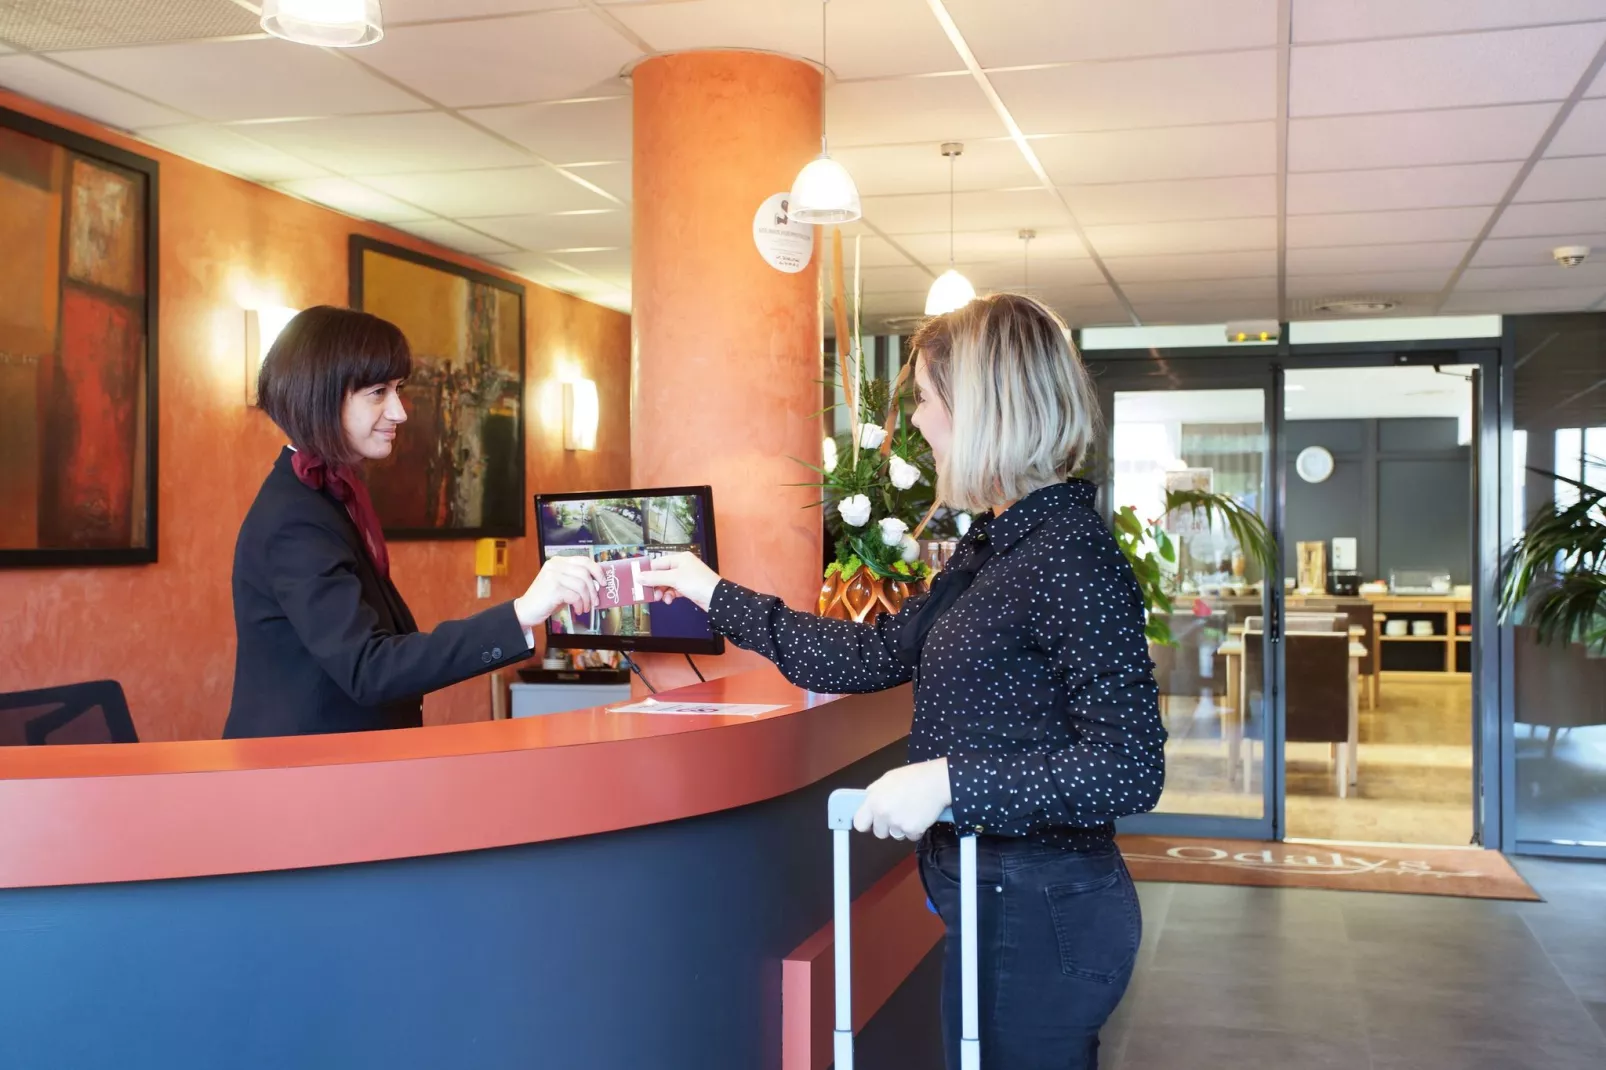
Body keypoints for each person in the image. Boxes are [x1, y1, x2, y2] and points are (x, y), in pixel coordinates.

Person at [640, 293, 1166, 1069]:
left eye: (924, 399)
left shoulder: (1068, 555)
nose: (916, 422)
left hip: (1039, 911)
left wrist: (951, 781)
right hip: (999, 899)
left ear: (983, 408)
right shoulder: (998, 544)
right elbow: (871, 654)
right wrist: (711, 593)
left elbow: (1128, 766)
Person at [226, 306, 602, 739]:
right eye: (378, 392)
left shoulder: (326, 497)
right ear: (320, 395)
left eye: (398, 389)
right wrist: (521, 612)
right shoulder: (295, 519)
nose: (400, 412)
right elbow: (369, 667)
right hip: (304, 770)